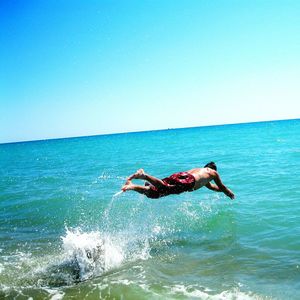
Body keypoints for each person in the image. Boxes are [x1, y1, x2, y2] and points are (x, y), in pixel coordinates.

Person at [121, 162, 235, 199]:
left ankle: (132, 186)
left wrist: (222, 191)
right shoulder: (213, 172)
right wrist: (228, 193)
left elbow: (213, 188)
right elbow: (222, 186)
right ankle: (144, 175)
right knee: (164, 187)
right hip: (189, 181)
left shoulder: (201, 173)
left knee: (155, 193)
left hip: (182, 175)